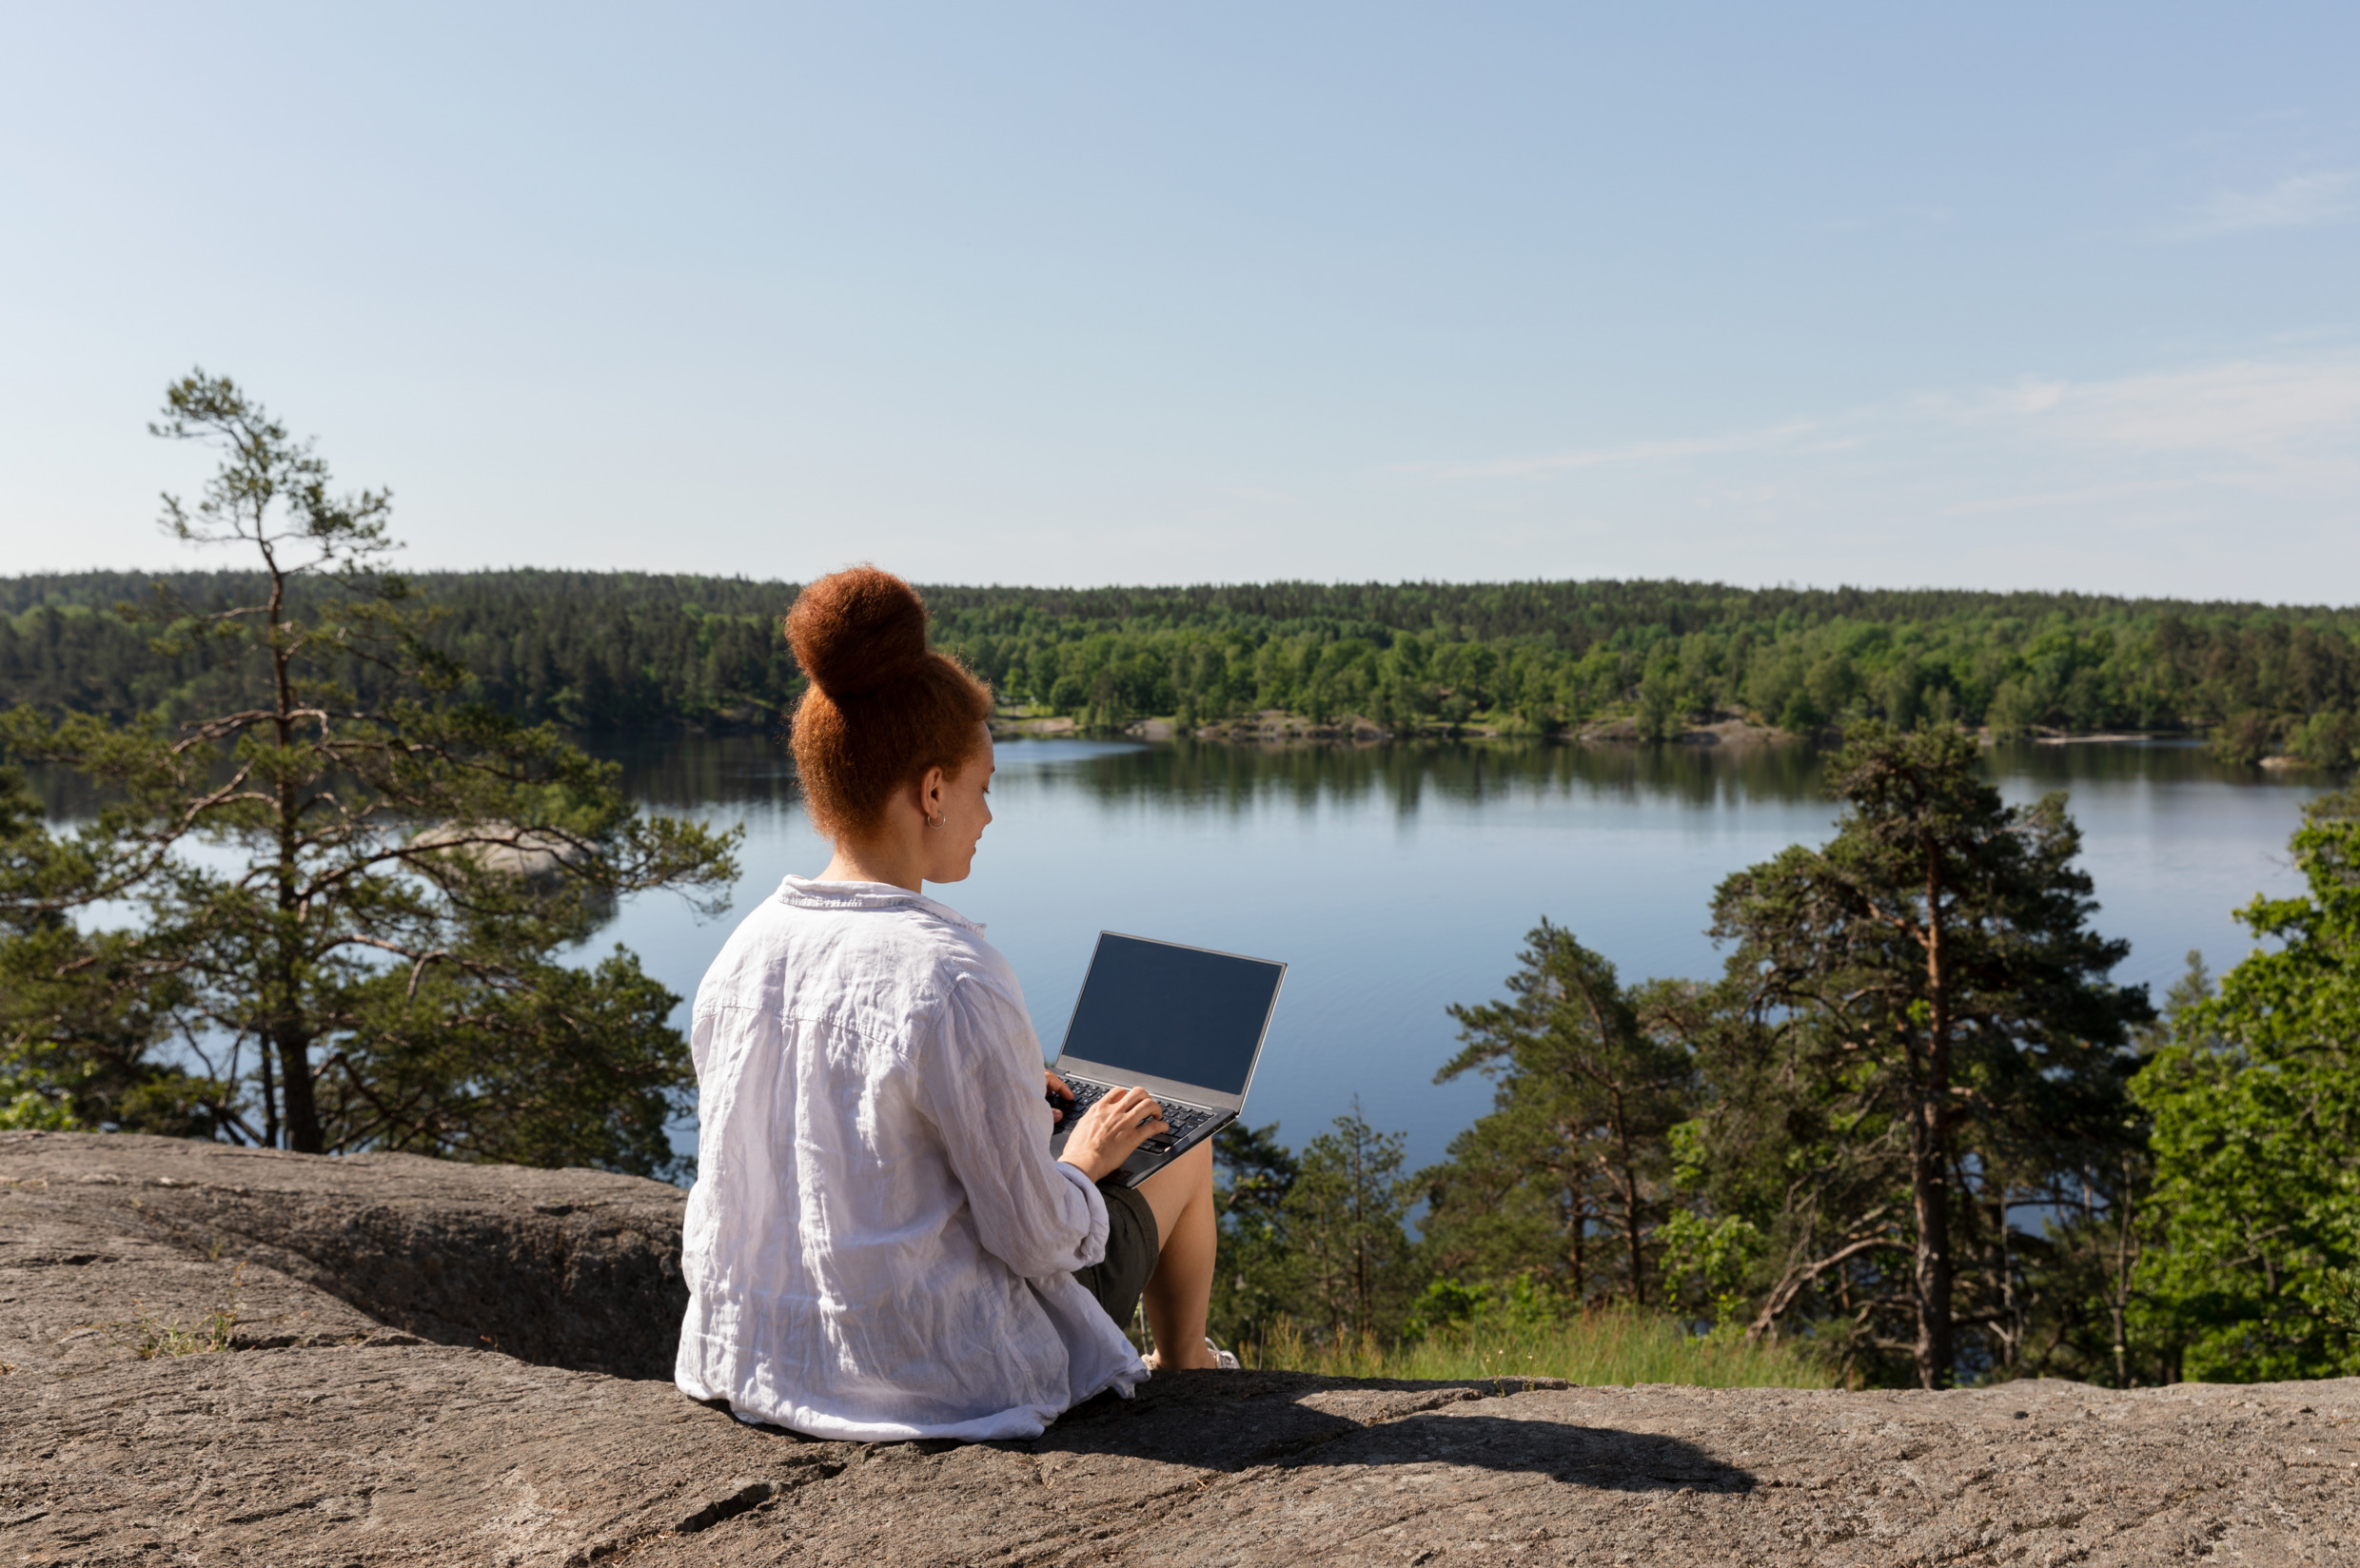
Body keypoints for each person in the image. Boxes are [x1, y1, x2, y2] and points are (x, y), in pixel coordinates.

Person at [674, 565, 1227, 1442]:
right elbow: (1037, 1237)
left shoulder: (744, 951)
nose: (989, 816)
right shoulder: (955, 974)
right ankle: (1187, 1363)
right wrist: (1083, 1161)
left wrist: (1004, 1089)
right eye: (985, 787)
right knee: (1174, 1145)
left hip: (756, 1358)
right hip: (937, 1372)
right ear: (932, 792)